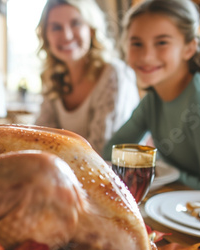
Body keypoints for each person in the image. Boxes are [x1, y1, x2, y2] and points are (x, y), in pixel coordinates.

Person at [103, 0, 200, 194]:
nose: (147, 56)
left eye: (162, 42)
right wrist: (158, 169)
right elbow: (111, 153)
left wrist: (161, 169)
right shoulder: (153, 100)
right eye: (137, 43)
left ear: (189, 48)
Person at [35, 0, 140, 153]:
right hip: (65, 173)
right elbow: (39, 140)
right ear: (46, 36)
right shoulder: (53, 77)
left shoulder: (114, 74)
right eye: (56, 27)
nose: (67, 35)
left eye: (76, 23)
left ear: (91, 29)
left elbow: (101, 152)